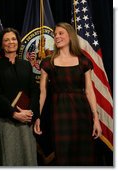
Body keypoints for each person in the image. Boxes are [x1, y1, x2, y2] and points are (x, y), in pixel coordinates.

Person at [34, 22, 102, 165]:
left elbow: (89, 91)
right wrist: (38, 117)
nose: (57, 36)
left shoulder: (83, 61)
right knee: (63, 156)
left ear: (70, 36)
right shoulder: (47, 63)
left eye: (60, 33)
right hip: (59, 113)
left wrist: (96, 119)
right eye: (55, 34)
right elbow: (42, 92)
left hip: (82, 113)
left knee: (84, 156)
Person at [0, 27, 39, 166]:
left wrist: (30, 114)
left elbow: (34, 91)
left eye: (14, 39)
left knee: (28, 158)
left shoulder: (26, 65)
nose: (11, 42)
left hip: (26, 119)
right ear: (1, 44)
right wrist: (13, 113)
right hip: (6, 120)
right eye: (7, 40)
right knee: (9, 159)